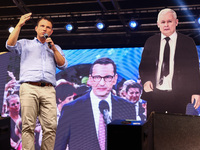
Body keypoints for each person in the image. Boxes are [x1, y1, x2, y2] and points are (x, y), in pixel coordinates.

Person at [6, 12, 68, 150]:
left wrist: (53, 49)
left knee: (51, 126)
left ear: (51, 31)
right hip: (29, 87)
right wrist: (19, 24)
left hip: (48, 89)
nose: (44, 29)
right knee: (28, 126)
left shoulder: (55, 47)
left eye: (48, 27)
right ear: (36, 28)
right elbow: (9, 45)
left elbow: (63, 65)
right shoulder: (25, 43)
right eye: (42, 26)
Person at [54, 57, 135, 150]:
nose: (101, 83)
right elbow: (58, 147)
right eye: (97, 77)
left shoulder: (127, 107)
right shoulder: (71, 109)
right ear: (90, 79)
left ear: (115, 79)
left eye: (107, 77)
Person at [139, 8, 200, 117]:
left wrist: (196, 91)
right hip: (154, 94)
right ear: (158, 24)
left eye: (169, 21)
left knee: (175, 129)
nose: (166, 25)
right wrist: (146, 81)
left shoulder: (188, 42)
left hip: (178, 95)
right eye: (163, 22)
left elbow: (194, 69)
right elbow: (144, 66)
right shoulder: (151, 41)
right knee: (154, 129)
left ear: (176, 22)